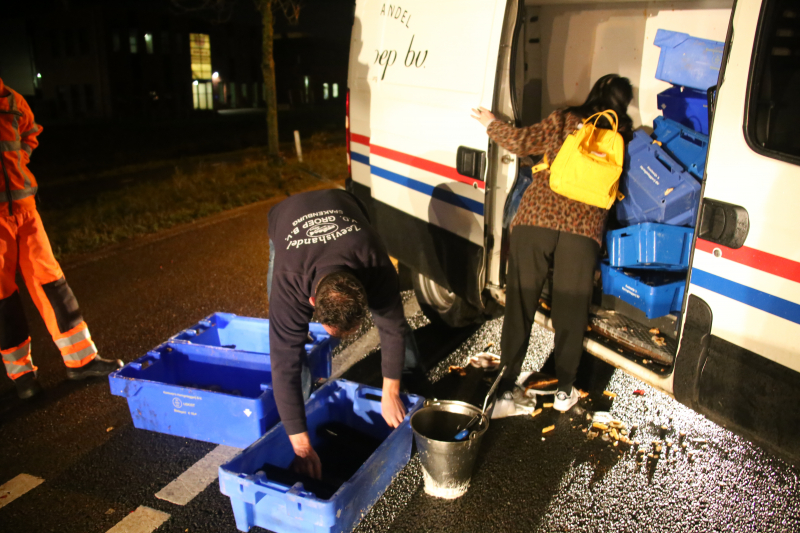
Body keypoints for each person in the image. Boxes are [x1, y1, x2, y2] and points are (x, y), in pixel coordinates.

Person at [471, 74, 634, 414]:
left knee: (520, 304)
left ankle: (506, 385)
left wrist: (491, 123)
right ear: (624, 105)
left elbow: (518, 142)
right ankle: (563, 391)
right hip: (583, 230)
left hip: (537, 218)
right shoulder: (621, 137)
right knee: (571, 312)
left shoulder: (563, 120)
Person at [267, 188, 423, 479]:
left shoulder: (375, 262)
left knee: (394, 315)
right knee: (287, 343)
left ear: (365, 293)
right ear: (311, 304)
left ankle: (412, 377)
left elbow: (391, 325)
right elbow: (283, 360)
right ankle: (303, 406)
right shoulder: (290, 282)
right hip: (285, 220)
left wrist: (390, 390)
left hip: (345, 206)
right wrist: (301, 446)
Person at [0, 78, 122, 399]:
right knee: (3, 298)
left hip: (25, 209)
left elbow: (30, 133)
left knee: (53, 283)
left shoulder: (10, 100)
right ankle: (22, 377)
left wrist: (21, 166)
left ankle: (81, 360)